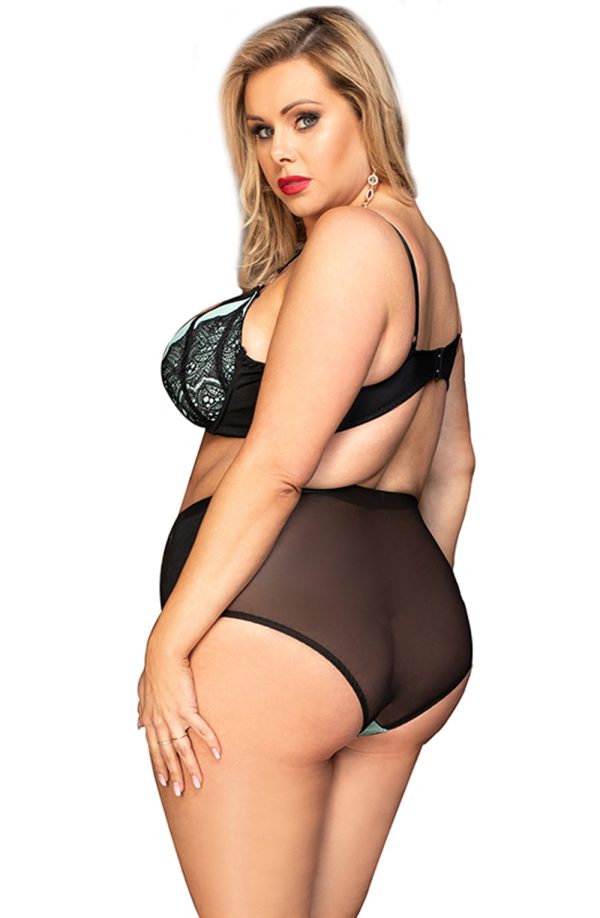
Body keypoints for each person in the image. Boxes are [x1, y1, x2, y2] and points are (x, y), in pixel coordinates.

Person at [137, 6, 475, 916]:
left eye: (305, 118)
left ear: (367, 110)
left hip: (285, 630)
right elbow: (455, 465)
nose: (279, 151)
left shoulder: (350, 245)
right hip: (413, 632)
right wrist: (394, 612)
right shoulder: (421, 247)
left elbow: (278, 466)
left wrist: (169, 644)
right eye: (260, 130)